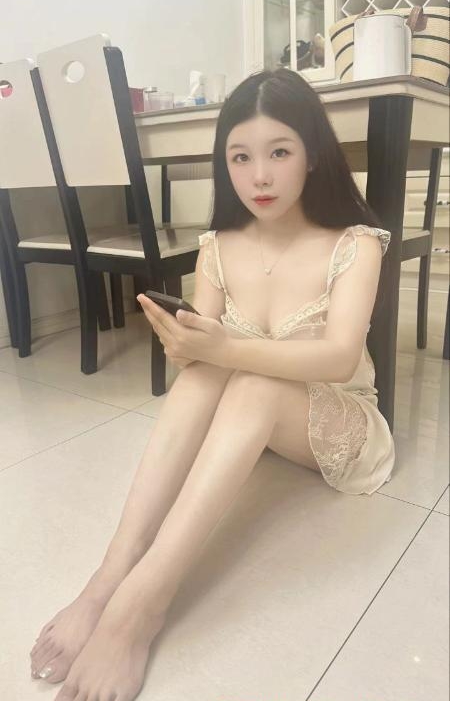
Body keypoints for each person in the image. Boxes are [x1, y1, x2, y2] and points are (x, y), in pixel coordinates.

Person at [29, 68, 395, 701]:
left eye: (279, 152)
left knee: (248, 380)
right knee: (209, 375)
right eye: (240, 157)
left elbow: (339, 359)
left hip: (344, 418)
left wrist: (223, 349)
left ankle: (142, 603)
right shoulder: (218, 246)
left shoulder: (355, 244)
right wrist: (189, 346)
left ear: (312, 155)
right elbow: (208, 360)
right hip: (266, 419)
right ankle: (110, 575)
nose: (259, 176)